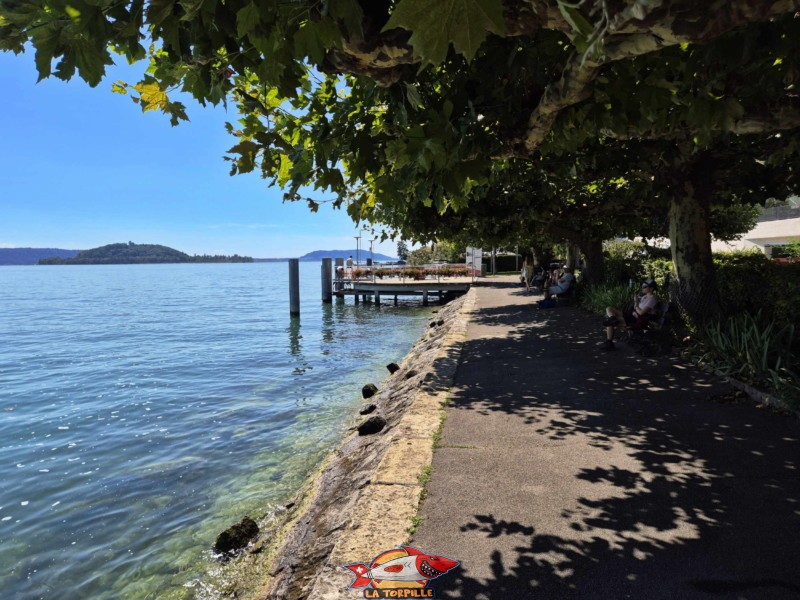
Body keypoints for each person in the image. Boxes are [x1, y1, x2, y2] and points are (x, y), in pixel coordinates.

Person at [601, 278, 658, 351]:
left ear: (651, 288)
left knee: (609, 322)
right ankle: (612, 319)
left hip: (636, 320)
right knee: (609, 309)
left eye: (644, 287)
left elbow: (641, 313)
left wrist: (636, 305)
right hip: (631, 316)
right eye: (642, 286)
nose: (642, 288)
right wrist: (636, 301)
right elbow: (636, 308)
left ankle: (609, 343)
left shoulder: (652, 299)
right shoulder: (644, 297)